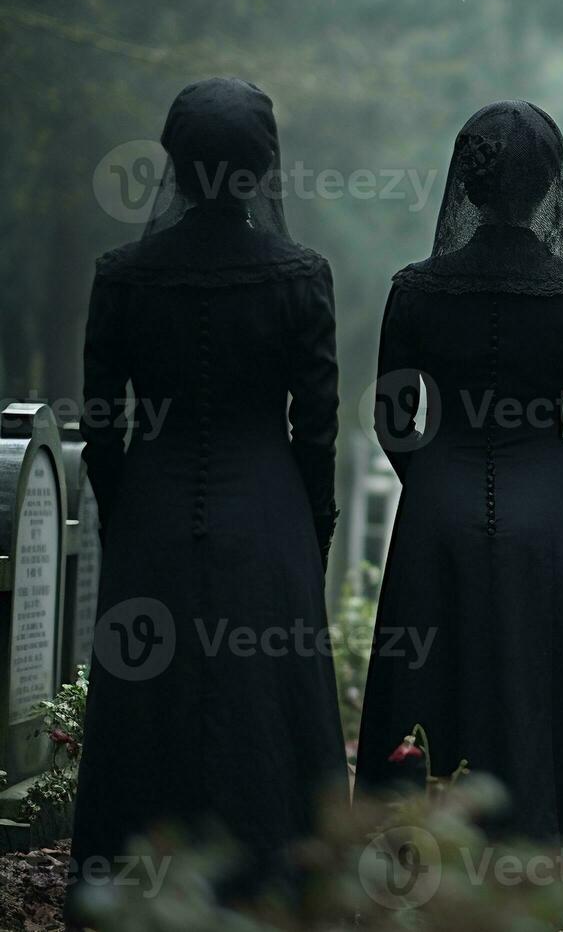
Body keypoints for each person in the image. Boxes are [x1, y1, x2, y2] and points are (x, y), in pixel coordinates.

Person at [69, 77, 345, 913]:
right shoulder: (300, 275)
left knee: (147, 702)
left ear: (177, 162)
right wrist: (312, 528)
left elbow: (102, 429)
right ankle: (272, 884)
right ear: (264, 164)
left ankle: (134, 893)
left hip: (153, 508)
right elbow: (319, 428)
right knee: (266, 702)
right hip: (267, 514)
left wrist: (126, 518)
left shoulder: (123, 274)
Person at [355, 102, 563, 838]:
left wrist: (435, 476)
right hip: (546, 505)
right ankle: (550, 837)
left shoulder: (416, 288)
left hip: (437, 503)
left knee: (431, 672)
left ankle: (412, 842)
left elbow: (392, 416)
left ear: (468, 186)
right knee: (542, 670)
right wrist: (547, 478)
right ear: (547, 189)